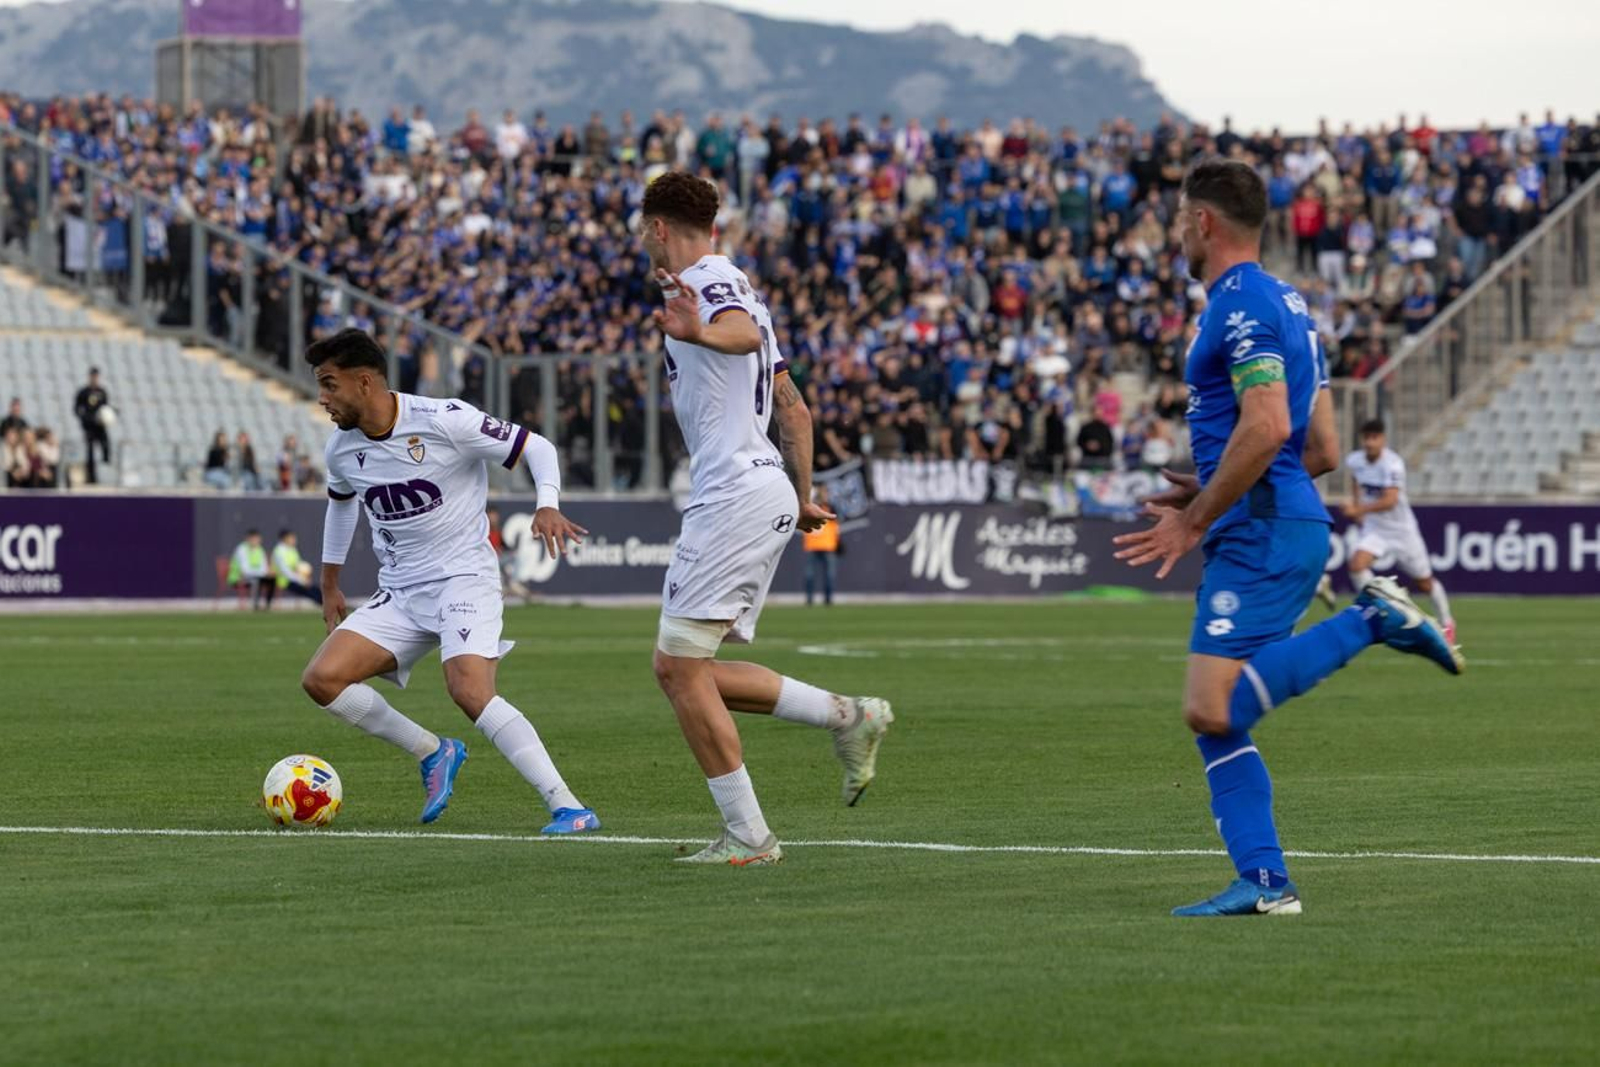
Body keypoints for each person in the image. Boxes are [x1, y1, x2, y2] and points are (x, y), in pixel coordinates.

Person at [1112, 159, 1463, 918]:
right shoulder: (1295, 306)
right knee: (1217, 716)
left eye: (1179, 218)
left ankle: (1373, 617)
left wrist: (1198, 515)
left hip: (1261, 531)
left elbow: (1268, 425)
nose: (1175, 232)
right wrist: (1210, 486)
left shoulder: (1238, 304)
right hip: (1274, 517)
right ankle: (1265, 882)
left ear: (1203, 222)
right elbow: (1322, 448)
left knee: (1211, 705)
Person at [642, 172, 893, 866]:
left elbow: (741, 334)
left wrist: (701, 330)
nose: (642, 242)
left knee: (678, 670)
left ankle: (750, 835)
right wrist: (803, 491)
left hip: (732, 492)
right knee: (687, 666)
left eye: (644, 230)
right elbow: (794, 407)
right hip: (764, 486)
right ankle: (849, 716)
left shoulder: (710, 282)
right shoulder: (737, 282)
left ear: (660, 228)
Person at [297, 328, 599, 832]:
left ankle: (568, 806)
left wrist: (547, 502)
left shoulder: (445, 420)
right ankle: (434, 751)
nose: (323, 398)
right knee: (322, 680)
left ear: (365, 382)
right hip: (399, 592)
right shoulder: (341, 450)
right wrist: (330, 583)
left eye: (330, 385)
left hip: (464, 577)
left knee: (469, 689)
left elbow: (537, 447)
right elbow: (341, 507)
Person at [1334, 420, 1455, 643]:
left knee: (1424, 583)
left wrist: (1358, 509)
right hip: (1375, 528)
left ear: (1383, 439)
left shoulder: (1393, 464)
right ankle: (1383, 610)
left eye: (1374, 438)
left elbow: (1390, 500)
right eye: (1366, 438)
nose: (1370, 442)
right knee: (1357, 565)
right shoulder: (1355, 460)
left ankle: (1447, 622)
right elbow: (1356, 482)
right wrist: (1359, 510)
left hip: (1402, 530)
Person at [802, 485, 841, 606]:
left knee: (829, 575)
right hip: (812, 545)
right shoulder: (810, 507)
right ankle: (809, 600)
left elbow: (836, 527)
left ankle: (828, 600)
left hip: (828, 545)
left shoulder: (831, 507)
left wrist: (838, 542)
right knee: (810, 575)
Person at [73, 368, 111, 485]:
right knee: (89, 451)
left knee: (105, 445)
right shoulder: (83, 392)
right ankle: (91, 477)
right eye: (92, 376)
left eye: (96, 376)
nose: (94, 378)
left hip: (100, 426)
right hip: (89, 427)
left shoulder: (102, 392)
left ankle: (106, 472)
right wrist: (84, 418)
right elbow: (76, 408)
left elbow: (105, 408)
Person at [271, 529, 323, 606]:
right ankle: (323, 603)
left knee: (315, 588)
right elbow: (285, 571)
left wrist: (305, 577)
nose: (294, 540)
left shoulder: (292, 549)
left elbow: (298, 565)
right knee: (308, 590)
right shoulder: (279, 551)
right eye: (291, 538)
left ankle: (325, 603)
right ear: (285, 538)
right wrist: (301, 580)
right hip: (284, 580)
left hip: (295, 578)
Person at [228, 529, 273, 610]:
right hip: (238, 577)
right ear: (248, 539)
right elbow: (245, 570)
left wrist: (267, 572)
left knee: (271, 579)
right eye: (254, 539)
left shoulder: (260, 549)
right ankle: (255, 605)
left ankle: (267, 605)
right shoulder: (241, 549)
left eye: (257, 539)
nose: (256, 541)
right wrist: (263, 572)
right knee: (257, 580)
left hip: (255, 576)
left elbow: (264, 566)